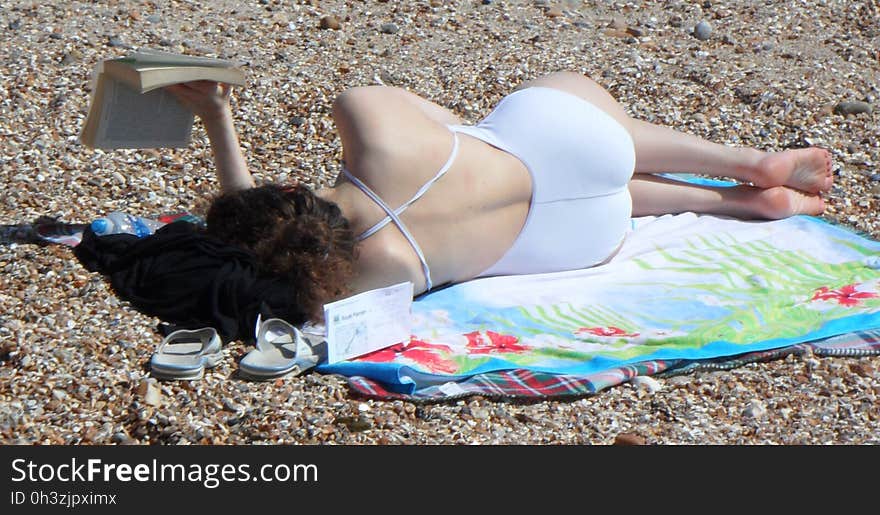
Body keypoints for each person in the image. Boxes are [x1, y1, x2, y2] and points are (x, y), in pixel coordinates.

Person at [166, 72, 833, 322]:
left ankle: (730, 205)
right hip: (574, 147)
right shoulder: (364, 118)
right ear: (291, 190)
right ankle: (746, 164)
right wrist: (218, 114)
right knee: (560, 129)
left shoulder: (357, 279)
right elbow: (444, 114)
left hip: (578, 239)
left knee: (592, 193)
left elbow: (262, 252)